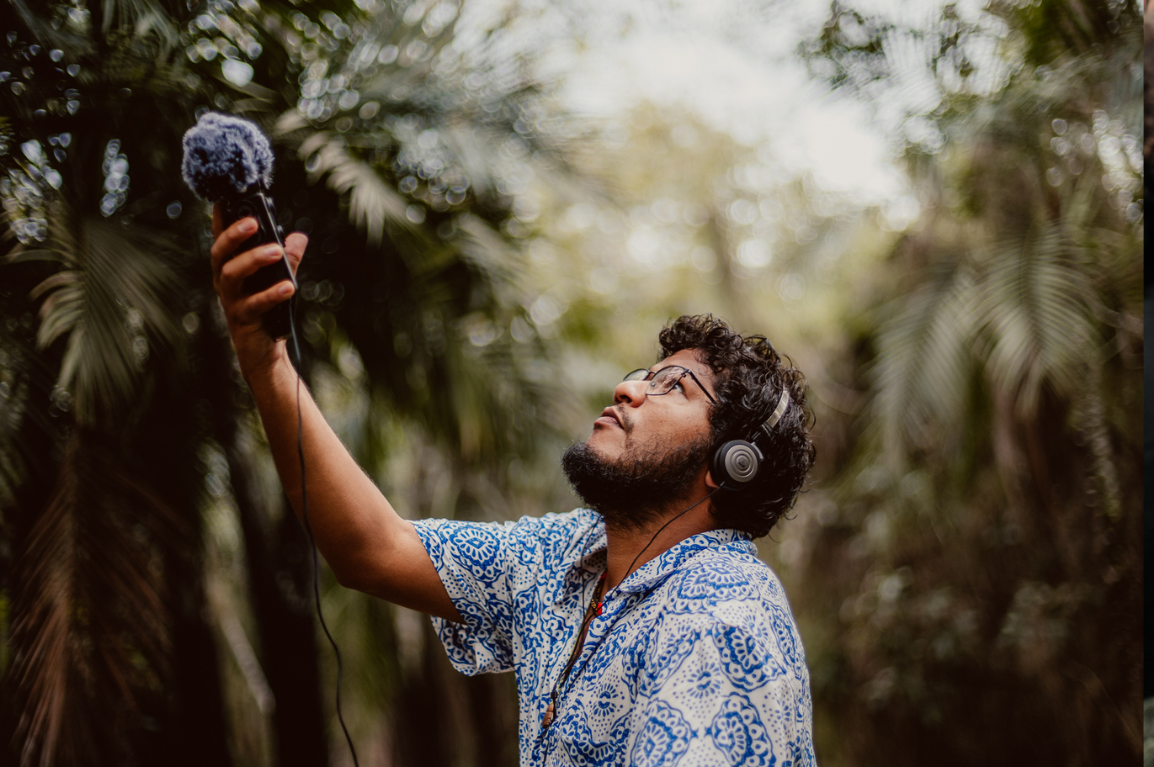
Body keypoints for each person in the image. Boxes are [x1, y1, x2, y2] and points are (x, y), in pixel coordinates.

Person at [210, 208, 818, 766]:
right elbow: (375, 550)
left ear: (732, 463)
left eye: (675, 387)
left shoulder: (724, 616)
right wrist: (268, 361)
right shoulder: (568, 555)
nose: (627, 389)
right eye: (644, 376)